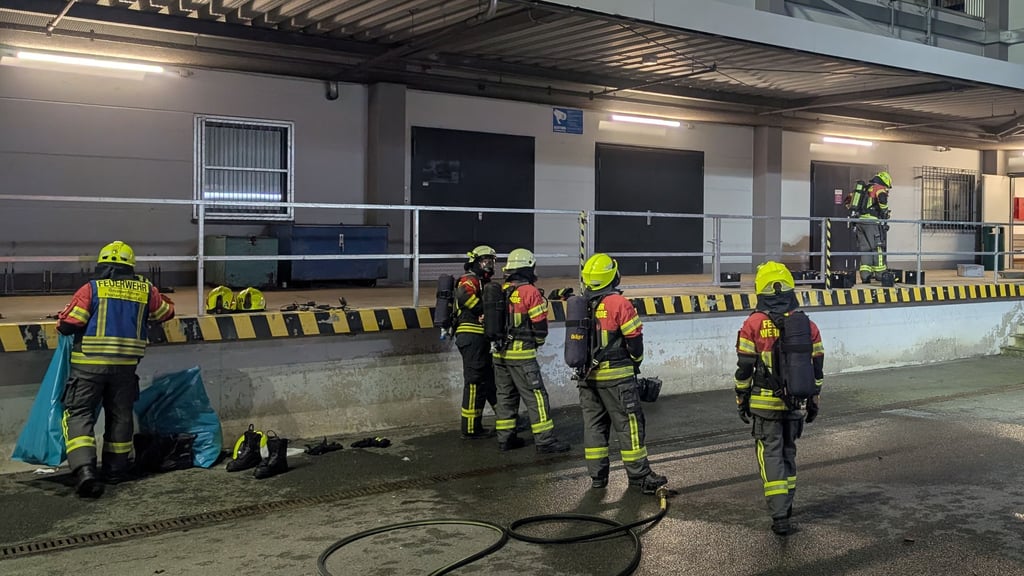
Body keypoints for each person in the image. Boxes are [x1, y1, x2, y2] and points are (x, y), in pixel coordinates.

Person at [56, 241, 175, 498]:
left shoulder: (91, 289)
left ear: (102, 264)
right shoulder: (146, 289)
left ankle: (85, 471)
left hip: (88, 366)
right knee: (121, 415)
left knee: (79, 414)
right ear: (131, 266)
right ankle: (115, 471)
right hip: (125, 368)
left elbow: (68, 324)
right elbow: (166, 313)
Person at [734, 261, 824, 535]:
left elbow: (744, 368)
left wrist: (741, 397)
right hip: (795, 402)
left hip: (764, 405)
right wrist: (814, 399)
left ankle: (779, 514)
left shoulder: (753, 324)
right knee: (788, 452)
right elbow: (817, 367)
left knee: (771, 454)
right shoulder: (807, 325)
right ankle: (787, 504)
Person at [577, 253, 667, 494]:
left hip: (587, 378)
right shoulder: (619, 303)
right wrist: (636, 362)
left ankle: (598, 478)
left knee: (594, 427)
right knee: (630, 425)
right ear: (612, 276)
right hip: (617, 379)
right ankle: (640, 476)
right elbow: (634, 341)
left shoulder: (580, 304)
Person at [492, 248, 571, 454]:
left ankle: (505, 439)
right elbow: (540, 327)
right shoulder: (530, 292)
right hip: (522, 356)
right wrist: (538, 342)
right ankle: (545, 440)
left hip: (499, 354)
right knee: (536, 397)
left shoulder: (502, 290)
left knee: (505, 396)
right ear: (528, 268)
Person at [454, 245, 499, 439]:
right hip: (471, 336)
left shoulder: (482, 282)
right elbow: (464, 295)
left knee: (488, 380)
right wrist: (483, 311)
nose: (489, 265)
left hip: (480, 338)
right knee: (474, 382)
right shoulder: (470, 280)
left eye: (491, 261)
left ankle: (507, 418)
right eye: (485, 261)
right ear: (475, 262)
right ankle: (471, 428)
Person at [849, 171, 892, 284]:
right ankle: (880, 274)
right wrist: (884, 212)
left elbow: (848, 201)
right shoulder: (879, 188)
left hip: (860, 222)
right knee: (878, 247)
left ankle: (865, 276)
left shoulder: (864, 188)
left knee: (865, 249)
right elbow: (882, 199)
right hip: (872, 223)